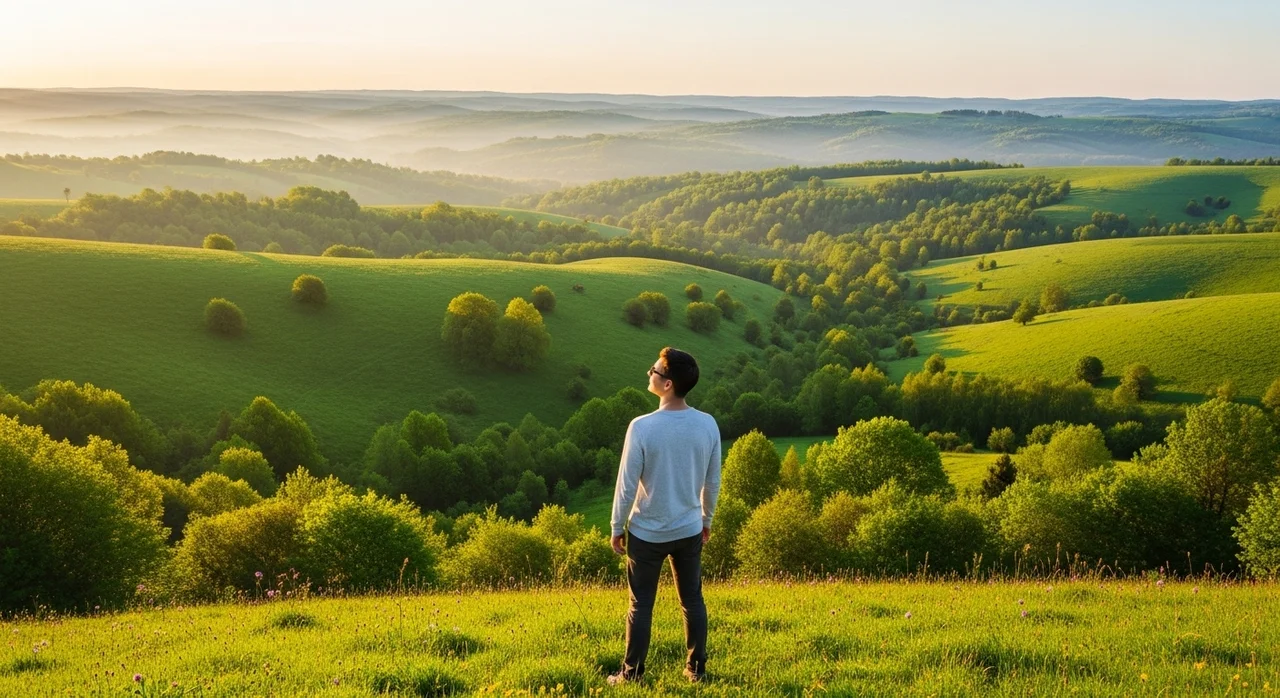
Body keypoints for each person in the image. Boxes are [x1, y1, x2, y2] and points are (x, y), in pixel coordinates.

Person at [607, 347, 721, 685]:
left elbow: (626, 485)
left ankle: (632, 676)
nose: (649, 373)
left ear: (667, 384)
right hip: (688, 529)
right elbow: (712, 481)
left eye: (654, 370)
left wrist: (617, 526)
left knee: (641, 605)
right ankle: (696, 671)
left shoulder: (642, 427)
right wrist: (706, 520)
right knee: (692, 601)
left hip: (647, 532)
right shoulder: (707, 425)